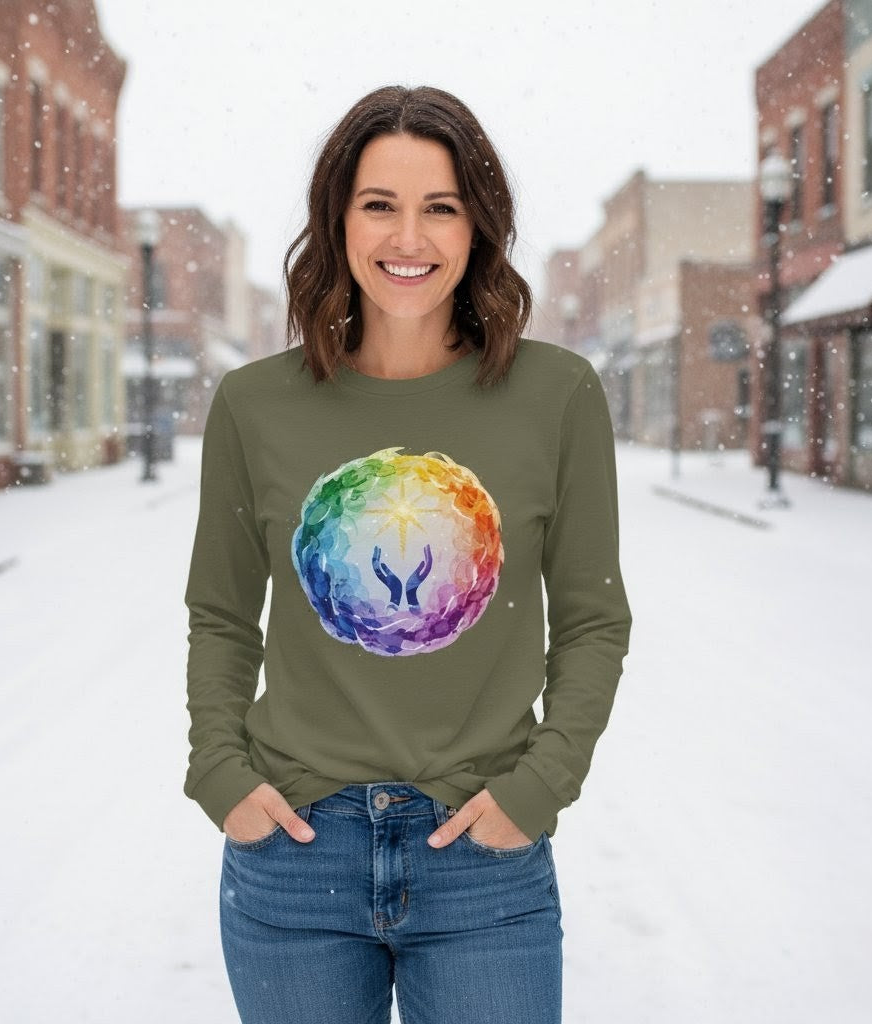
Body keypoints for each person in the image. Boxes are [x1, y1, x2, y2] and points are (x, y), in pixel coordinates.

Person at [183, 84, 632, 1024]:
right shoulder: (255, 405)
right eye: (379, 204)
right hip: (296, 854)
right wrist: (221, 774)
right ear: (338, 221)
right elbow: (222, 614)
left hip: (482, 859)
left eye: (441, 208)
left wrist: (540, 787)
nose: (409, 237)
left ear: (478, 227)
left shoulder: (556, 394)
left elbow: (593, 618)